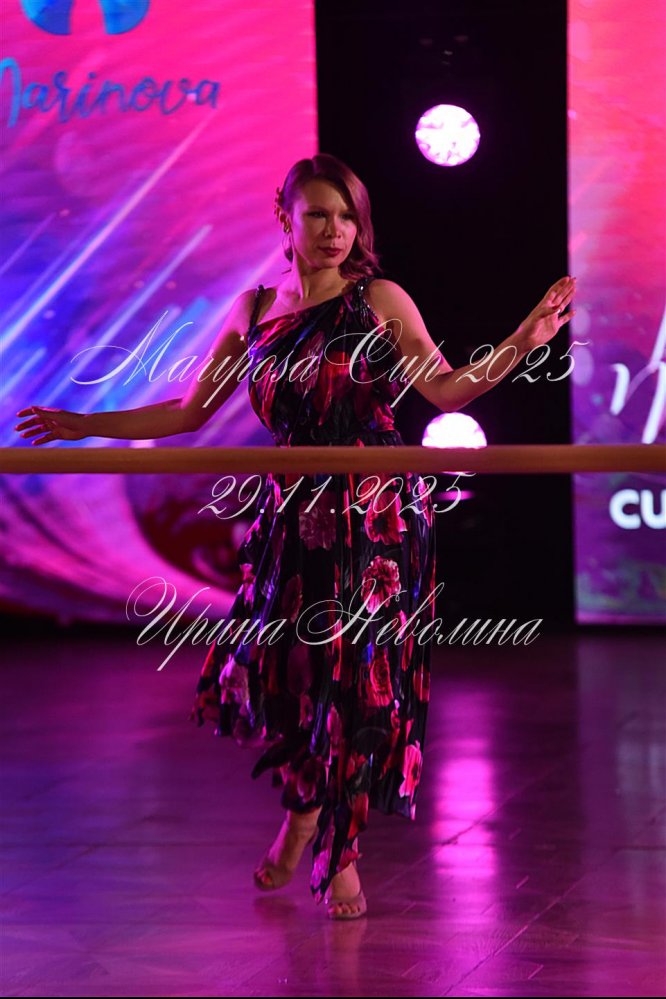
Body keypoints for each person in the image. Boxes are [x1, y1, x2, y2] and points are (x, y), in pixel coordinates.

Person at [15, 152, 575, 920]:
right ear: (285, 218)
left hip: (374, 517)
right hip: (289, 515)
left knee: (357, 683)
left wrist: (523, 339)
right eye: (318, 214)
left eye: (347, 217)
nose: (335, 230)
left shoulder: (378, 300)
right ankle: (302, 811)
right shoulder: (252, 311)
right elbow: (188, 411)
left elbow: (447, 388)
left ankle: (340, 850)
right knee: (288, 677)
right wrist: (85, 424)